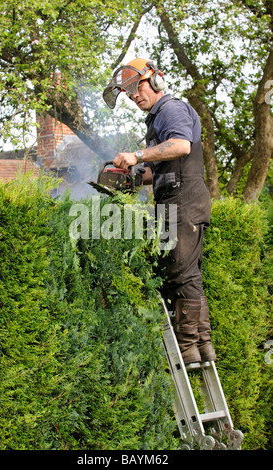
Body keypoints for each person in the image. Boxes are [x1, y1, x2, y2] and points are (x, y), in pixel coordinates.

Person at [103, 58, 216, 365]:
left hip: (185, 201)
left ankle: (187, 344)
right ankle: (200, 345)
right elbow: (160, 165)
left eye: (136, 87)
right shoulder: (154, 121)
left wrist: (136, 154)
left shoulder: (171, 110)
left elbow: (180, 147)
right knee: (185, 273)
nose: (134, 96)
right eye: (128, 93)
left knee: (180, 272)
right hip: (171, 202)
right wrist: (134, 177)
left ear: (154, 81)